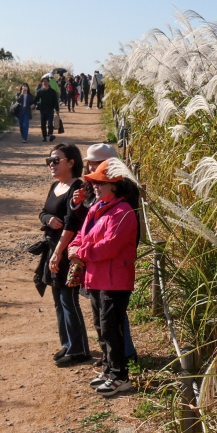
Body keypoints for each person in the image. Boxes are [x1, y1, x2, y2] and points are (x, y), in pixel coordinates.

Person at [71, 157, 139, 396]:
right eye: (95, 183)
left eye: (101, 183)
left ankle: (121, 376)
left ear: (115, 185)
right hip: (97, 277)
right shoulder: (97, 209)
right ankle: (111, 369)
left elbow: (111, 246)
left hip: (116, 280)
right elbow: (82, 234)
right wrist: (75, 247)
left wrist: (80, 252)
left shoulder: (124, 212)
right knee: (101, 326)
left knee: (112, 327)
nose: (96, 186)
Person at [40, 143, 91, 367]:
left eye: (56, 160)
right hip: (52, 247)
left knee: (69, 300)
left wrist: (59, 252)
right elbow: (43, 212)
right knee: (58, 300)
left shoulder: (77, 187)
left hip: (68, 251)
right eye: (49, 161)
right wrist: (47, 220)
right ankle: (68, 343)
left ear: (71, 163)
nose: (51, 164)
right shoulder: (55, 186)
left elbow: (72, 223)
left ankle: (80, 349)